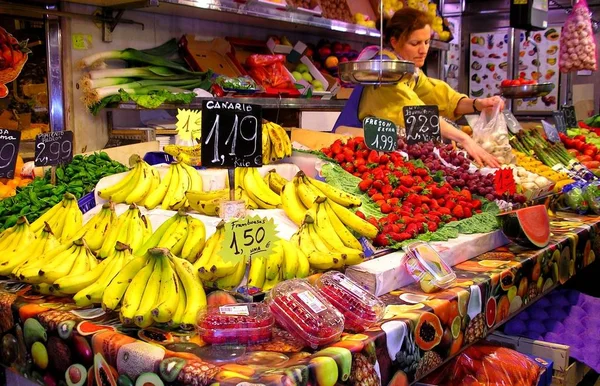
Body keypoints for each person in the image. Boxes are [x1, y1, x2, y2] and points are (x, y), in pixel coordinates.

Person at [333, 8, 504, 168]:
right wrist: (465, 139)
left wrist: (478, 104)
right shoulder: (385, 73)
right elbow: (417, 115)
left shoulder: (409, 70)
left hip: (385, 152)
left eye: (427, 42)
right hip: (355, 152)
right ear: (395, 42)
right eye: (415, 43)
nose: (423, 50)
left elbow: (440, 96)